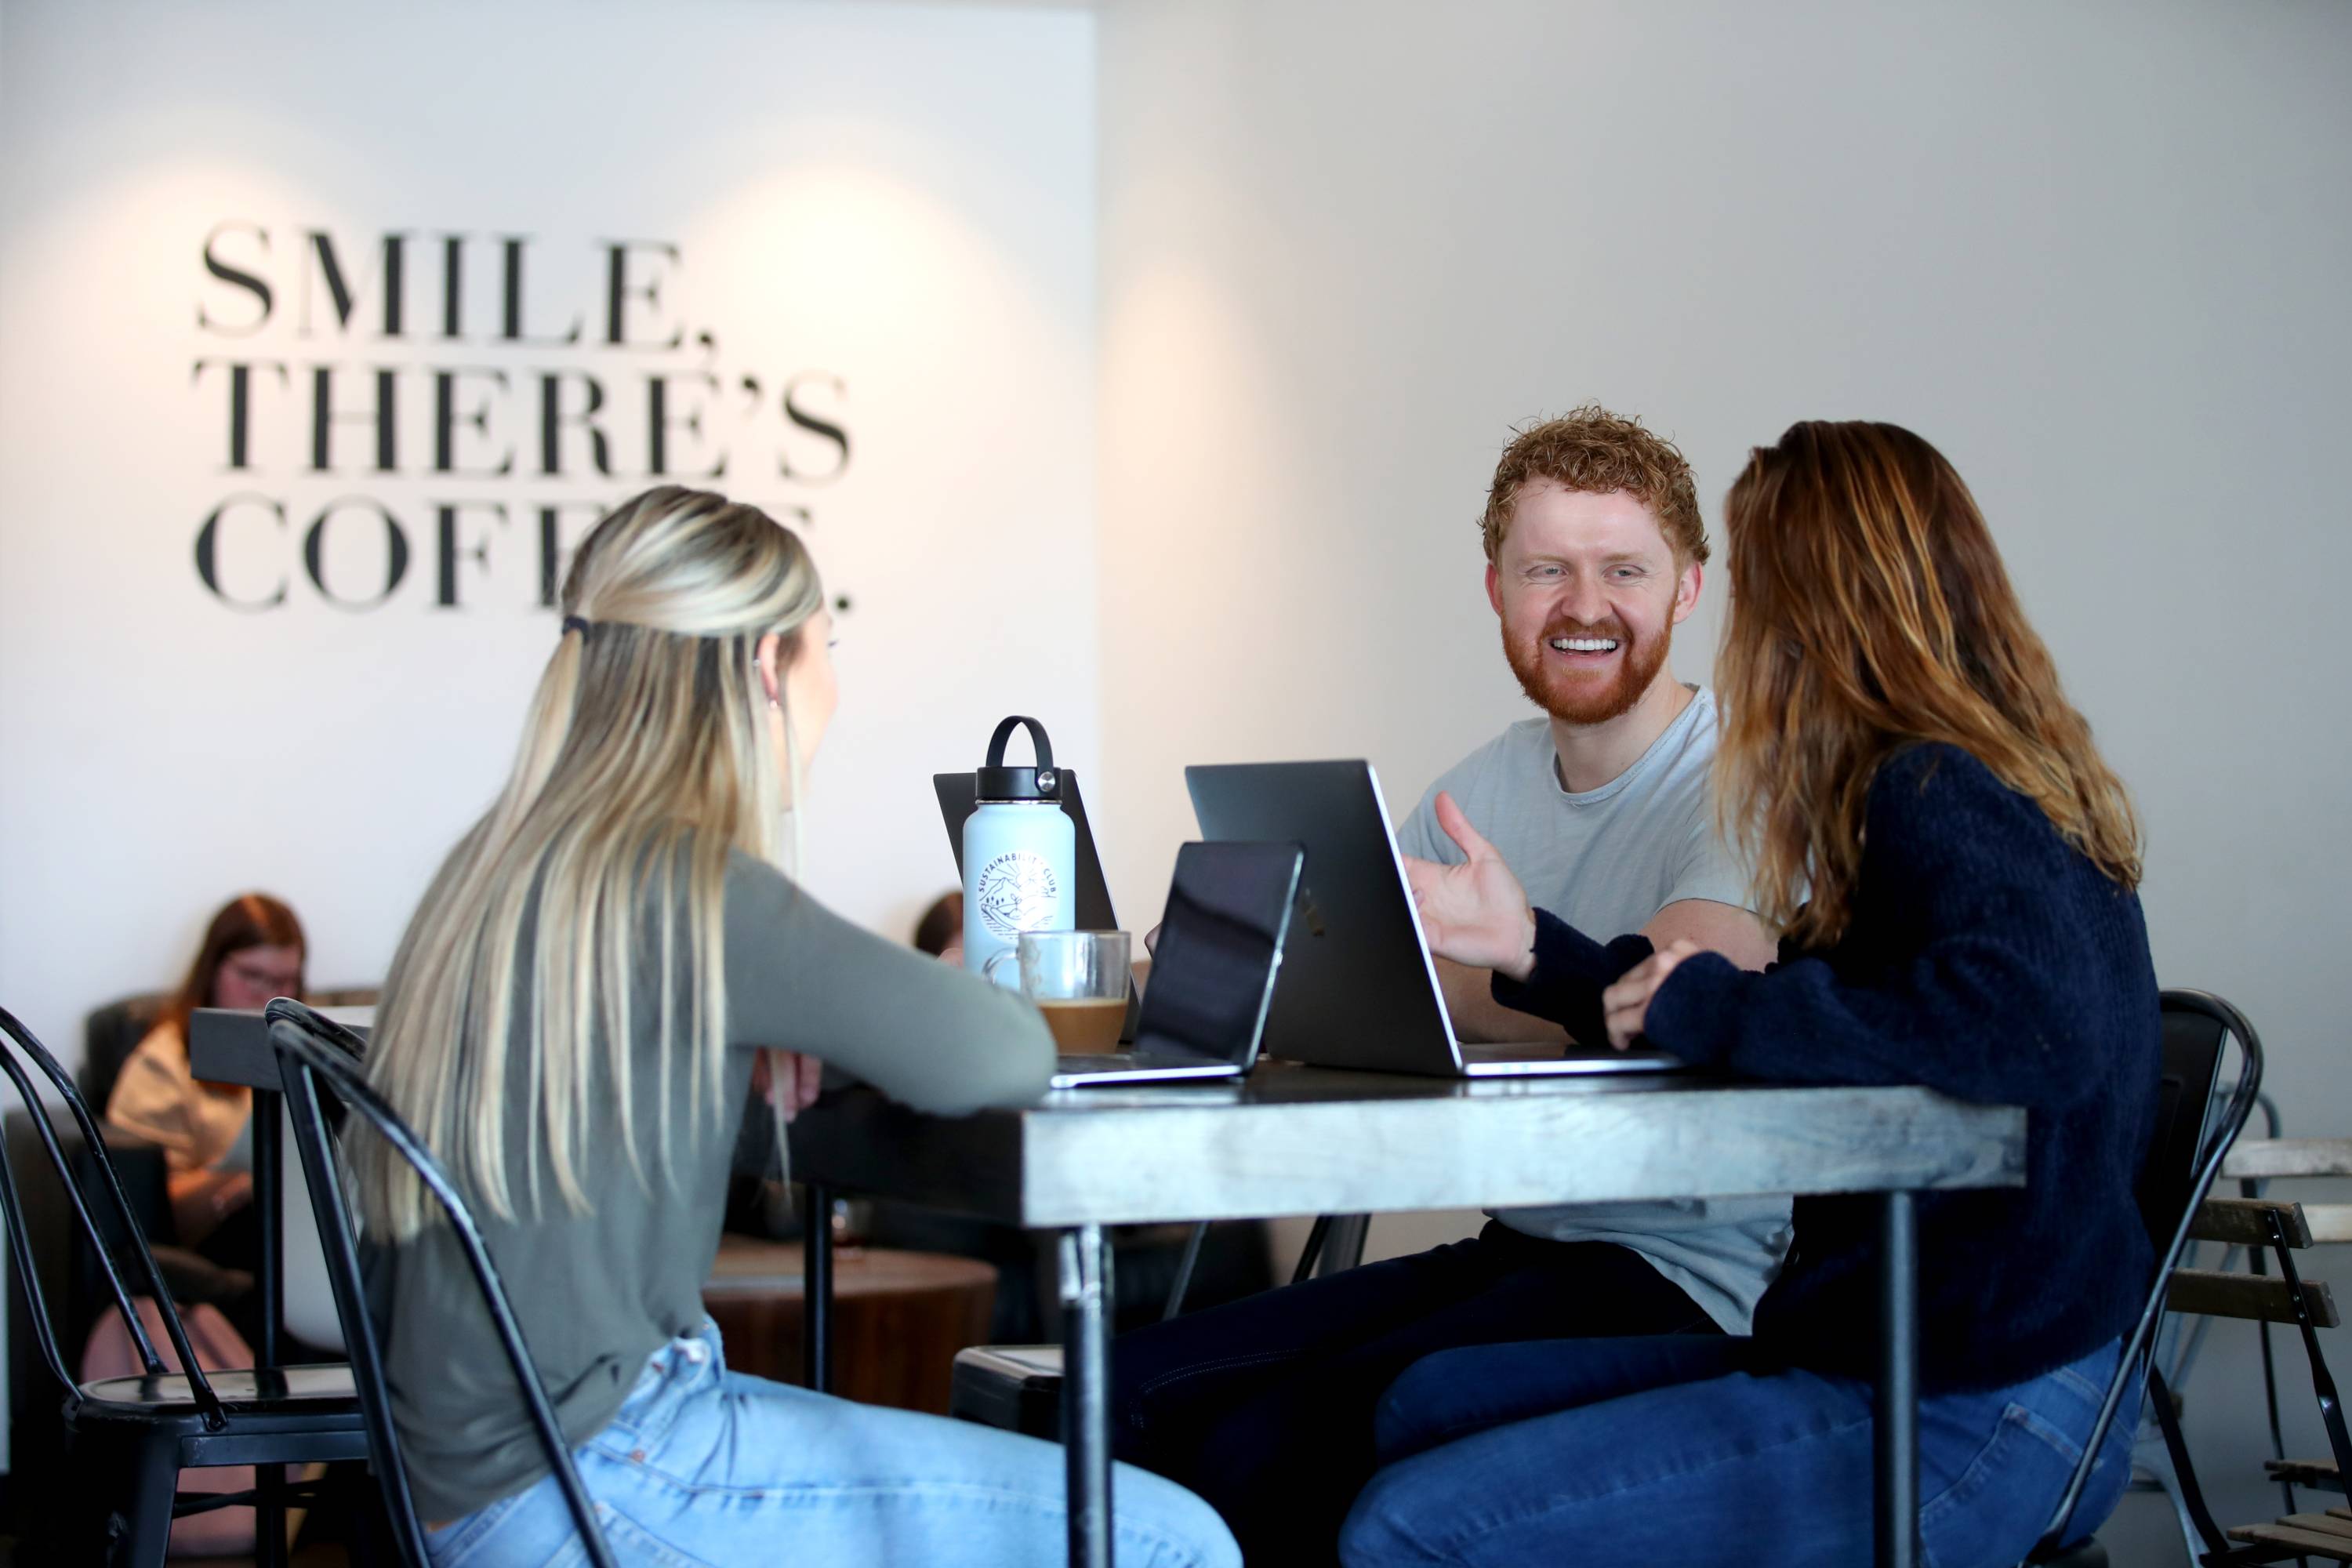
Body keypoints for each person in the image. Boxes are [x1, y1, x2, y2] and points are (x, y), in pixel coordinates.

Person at [353, 487, 1239, 1568]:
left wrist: (756, 1024)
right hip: (599, 1471)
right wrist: (958, 985)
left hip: (466, 1479)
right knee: (1177, 1542)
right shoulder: (687, 883)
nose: (833, 681)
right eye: (829, 646)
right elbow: (1002, 1051)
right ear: (767, 670)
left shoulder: (505, 866)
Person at [1338, 421, 2158, 1567]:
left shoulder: (1936, 788)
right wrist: (1538, 950)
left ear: (1818, 600)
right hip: (1880, 1348)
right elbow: (1808, 1013)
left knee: (1406, 1528)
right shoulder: (1945, 778)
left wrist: (1708, 1009)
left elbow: (2031, 1029)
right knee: (1422, 1404)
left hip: (1979, 1405)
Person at [1111, 405, 1789, 1563]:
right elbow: (1350, 980)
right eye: (1546, 571)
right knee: (1127, 1388)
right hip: (1523, 1242)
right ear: (1496, 591)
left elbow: (1668, 1007)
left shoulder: (1748, 783)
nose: (1582, 606)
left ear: (1687, 591)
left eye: (1623, 569)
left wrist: (1471, 973)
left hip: (1686, 1275)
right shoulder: (1486, 785)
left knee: (1263, 1448)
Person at [106, 893, 306, 1267]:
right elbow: (145, 1204)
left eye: (285, 980)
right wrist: (248, 1184)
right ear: (213, 967)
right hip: (216, 1249)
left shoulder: (303, 1054)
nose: (269, 995)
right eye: (252, 976)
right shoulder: (164, 1062)